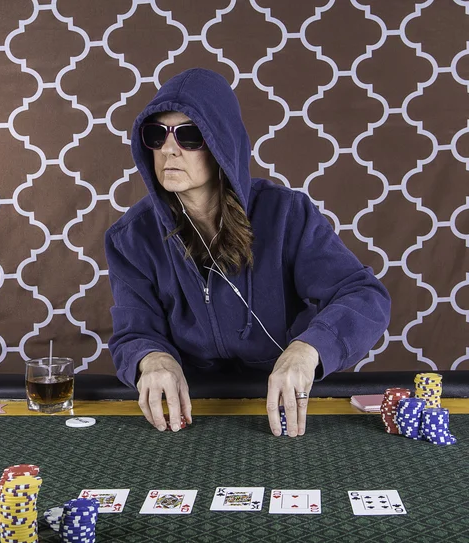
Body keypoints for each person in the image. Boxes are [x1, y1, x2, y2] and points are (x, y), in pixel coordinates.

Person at [104, 68, 391, 437]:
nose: (169, 149)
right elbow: (133, 331)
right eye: (156, 135)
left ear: (223, 143)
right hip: (189, 408)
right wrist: (151, 358)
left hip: (282, 398)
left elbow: (365, 296)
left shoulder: (288, 214)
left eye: (190, 135)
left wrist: (307, 349)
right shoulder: (130, 238)